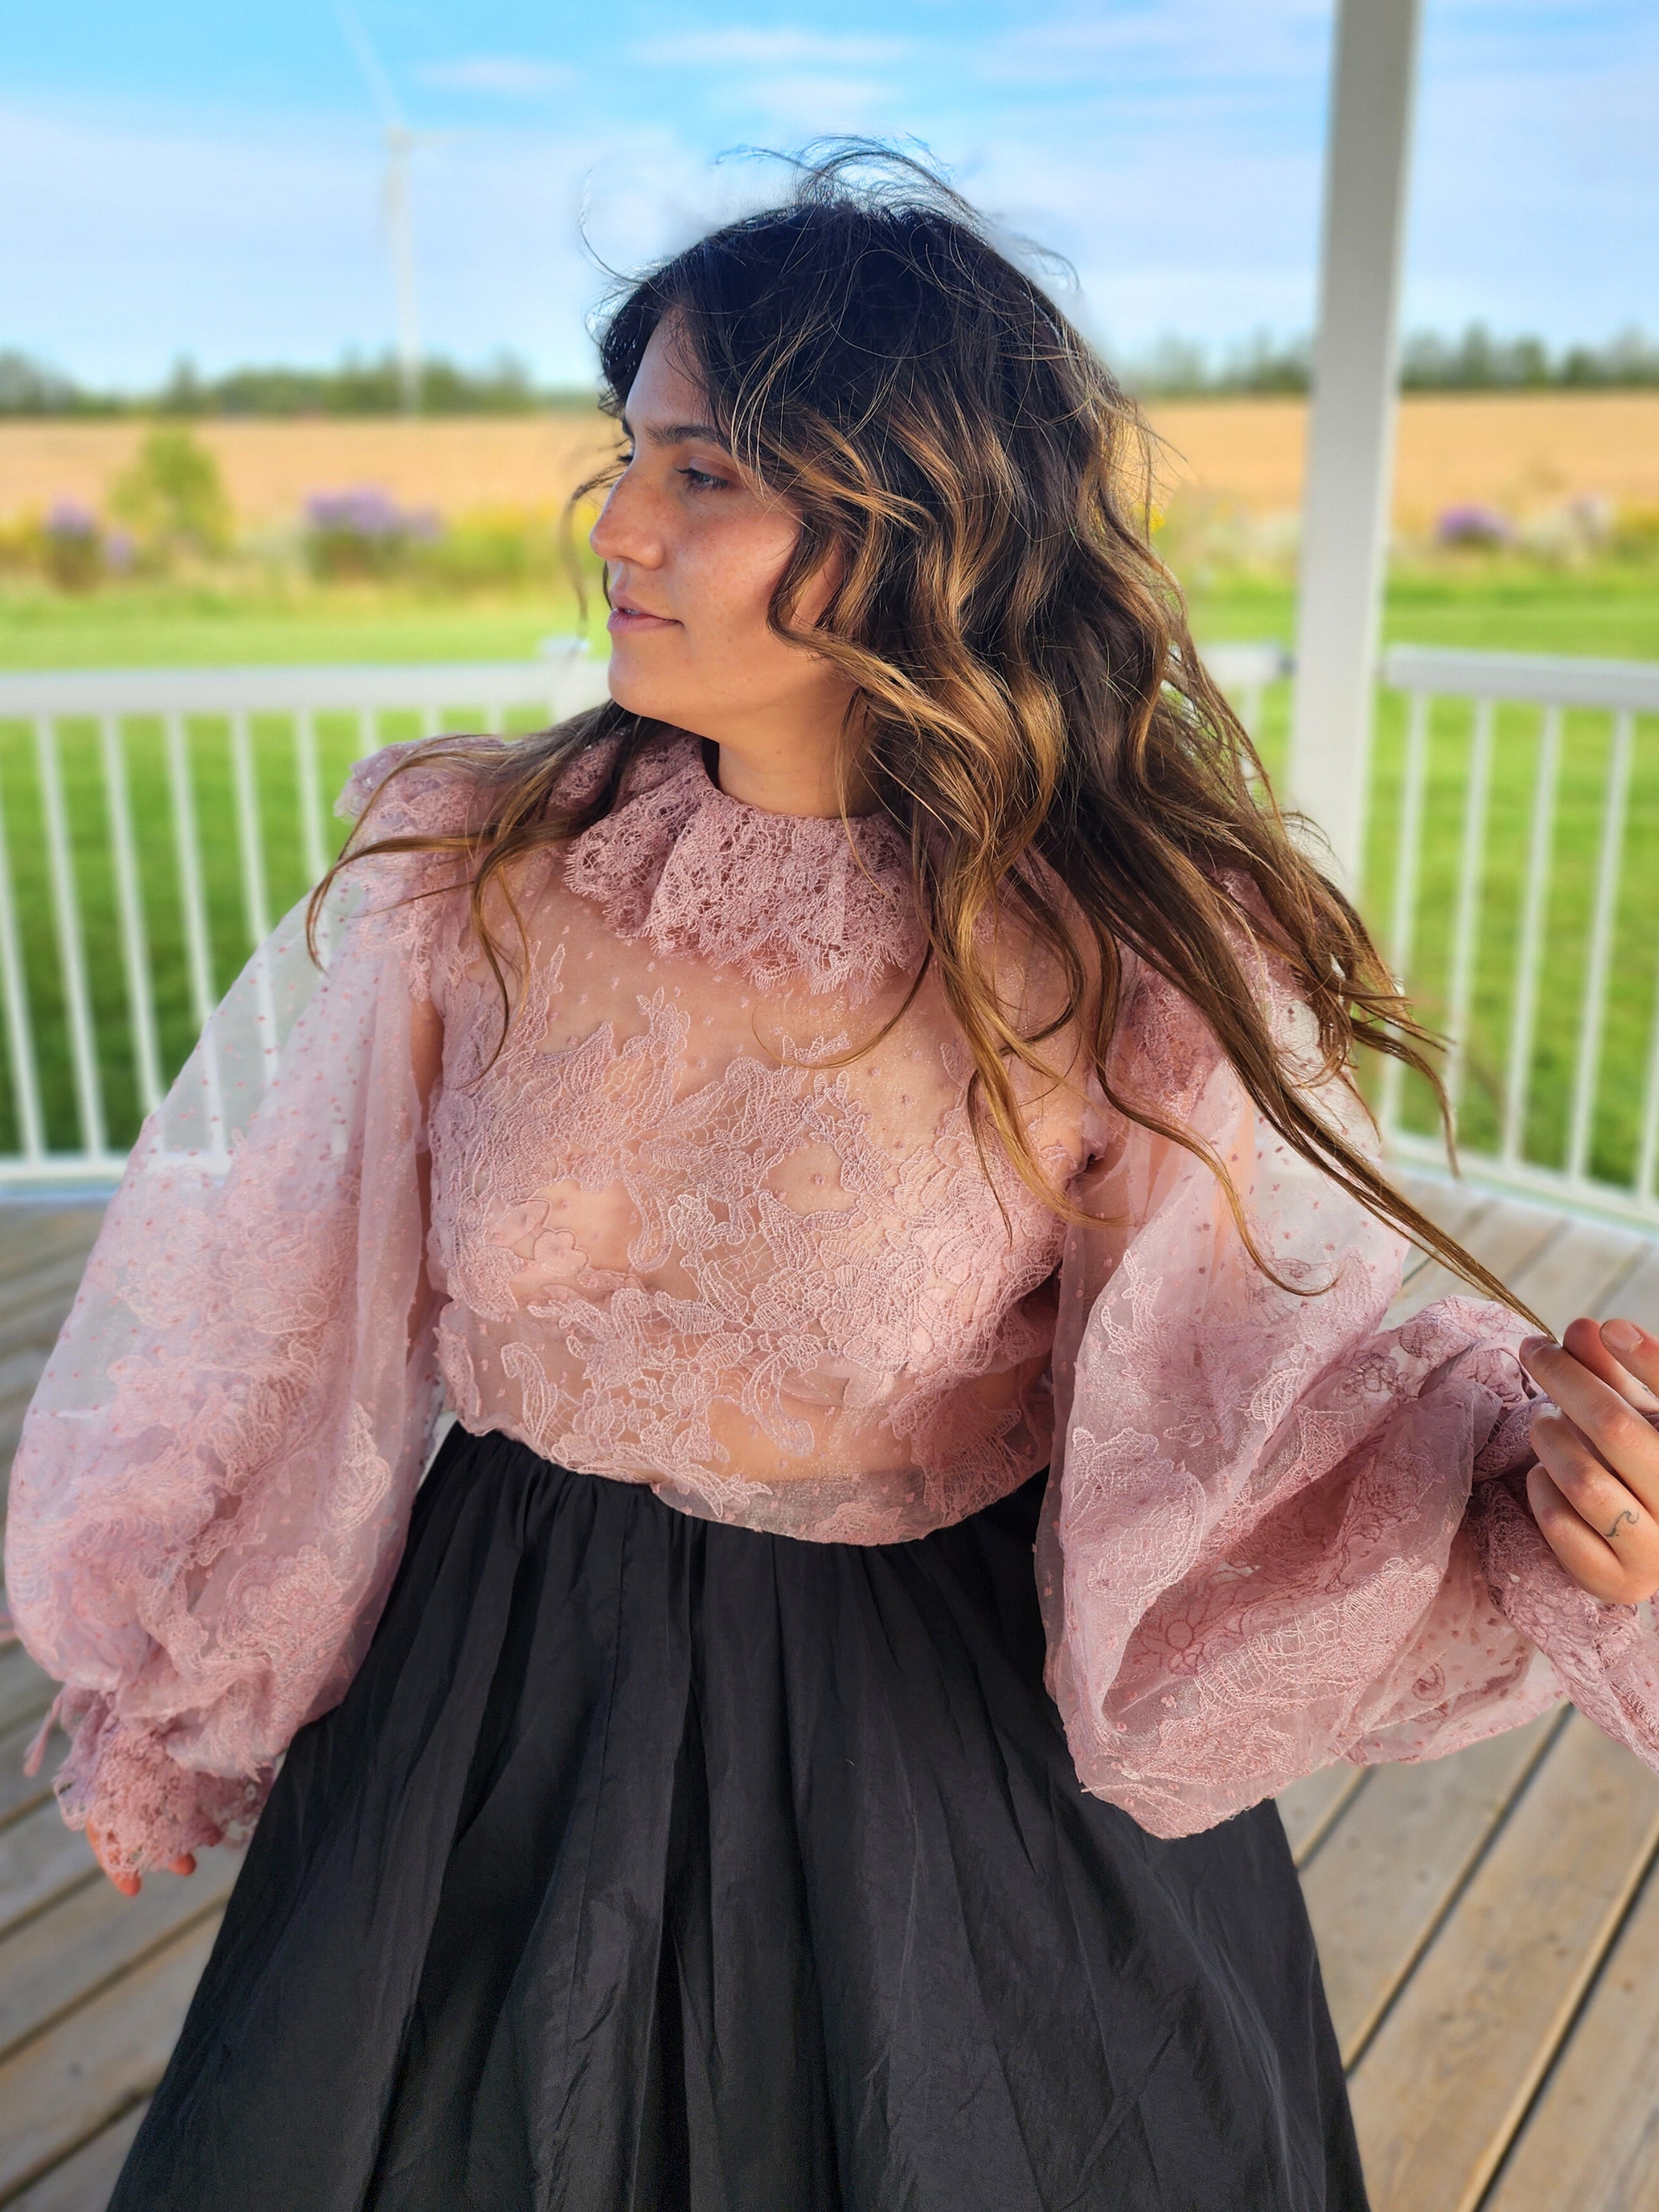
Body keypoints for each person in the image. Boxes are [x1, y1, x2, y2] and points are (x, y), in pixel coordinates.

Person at [9, 153, 1659, 2212]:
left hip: (927, 1760)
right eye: (629, 458)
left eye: (705, 474)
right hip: (491, 1703)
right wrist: (190, 1665)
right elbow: (288, 1298)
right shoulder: (478, 867)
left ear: (918, 522)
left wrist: (1527, 1477)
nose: (615, 524)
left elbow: (1257, 1368)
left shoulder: (1118, 950)